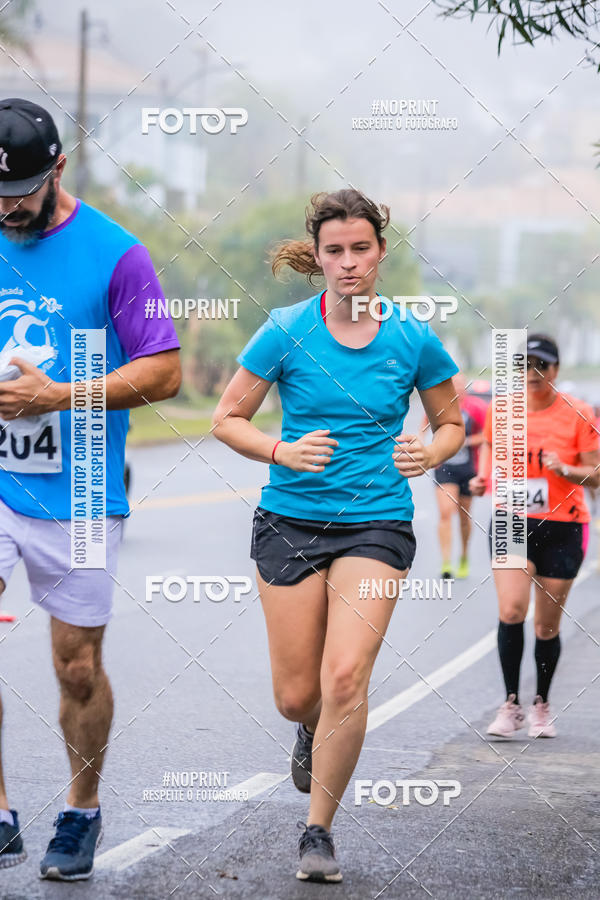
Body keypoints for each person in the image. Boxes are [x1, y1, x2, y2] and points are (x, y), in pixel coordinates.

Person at [212, 189, 464, 883]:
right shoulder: (287, 330)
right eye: (335, 251)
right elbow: (227, 418)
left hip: (376, 523)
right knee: (299, 695)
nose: (349, 263)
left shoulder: (412, 337)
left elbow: (451, 424)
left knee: (347, 676)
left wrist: (430, 453)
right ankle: (306, 728)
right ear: (317, 257)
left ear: (381, 252)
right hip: (290, 520)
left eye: (361, 249)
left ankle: (318, 830)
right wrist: (279, 451)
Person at [0, 98, 181, 878]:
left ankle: (80, 811)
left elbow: (164, 372)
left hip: (77, 489)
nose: (8, 207)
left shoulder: (115, 253)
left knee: (75, 664)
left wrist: (57, 396)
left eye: (23, 191)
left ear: (59, 171)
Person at [470, 334, 599, 739]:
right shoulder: (502, 411)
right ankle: (511, 704)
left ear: (555, 371)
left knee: (546, 626)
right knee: (511, 611)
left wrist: (566, 470)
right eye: (524, 366)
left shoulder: (579, 414)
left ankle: (541, 703)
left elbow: (596, 473)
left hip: (564, 526)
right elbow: (490, 456)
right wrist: (481, 481)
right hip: (512, 521)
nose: (532, 374)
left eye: (541, 366)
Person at [419, 373, 487, 579]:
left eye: (459, 385)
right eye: (452, 384)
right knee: (446, 513)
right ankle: (446, 562)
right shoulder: (440, 405)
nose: (456, 388)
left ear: (465, 386)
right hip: (444, 466)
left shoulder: (476, 407)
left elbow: (487, 435)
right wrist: (422, 443)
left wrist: (463, 441)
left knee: (464, 518)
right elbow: (424, 425)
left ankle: (464, 556)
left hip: (468, 468)